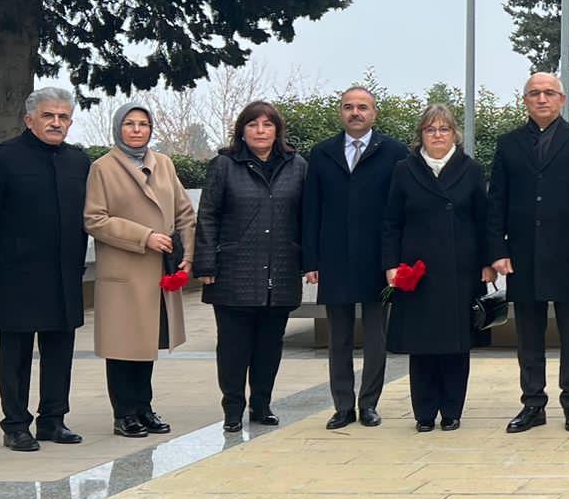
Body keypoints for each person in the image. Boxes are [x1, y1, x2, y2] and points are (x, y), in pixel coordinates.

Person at [0, 87, 92, 451]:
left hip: (63, 274)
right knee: (15, 355)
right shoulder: (0, 159)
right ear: (29, 119)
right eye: (48, 116)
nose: (56, 123)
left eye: (63, 117)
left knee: (59, 352)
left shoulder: (78, 162)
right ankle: (16, 425)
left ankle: (53, 420)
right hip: (14, 276)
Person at [490, 71, 569, 433]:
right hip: (522, 256)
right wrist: (498, 250)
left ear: (562, 100)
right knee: (528, 334)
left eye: (549, 93)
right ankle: (533, 403)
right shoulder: (508, 144)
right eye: (534, 93)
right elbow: (497, 202)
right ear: (525, 100)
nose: (542, 99)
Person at [83, 101, 196, 438]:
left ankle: (144, 408)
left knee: (147, 343)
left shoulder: (163, 163)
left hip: (159, 270)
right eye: (129, 123)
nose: (136, 130)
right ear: (118, 128)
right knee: (122, 345)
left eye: (143, 124)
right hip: (124, 271)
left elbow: (184, 213)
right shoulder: (103, 168)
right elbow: (94, 219)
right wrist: (144, 236)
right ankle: (124, 413)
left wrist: (188, 254)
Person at [382, 104, 495, 432]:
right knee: (422, 345)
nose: (437, 135)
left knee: (456, 345)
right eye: (430, 129)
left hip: (461, 270)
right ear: (421, 135)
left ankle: (452, 410)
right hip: (418, 272)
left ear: (454, 134)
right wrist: (390, 264)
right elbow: (391, 222)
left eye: (444, 129)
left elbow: (484, 220)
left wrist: (488, 262)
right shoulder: (404, 170)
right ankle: (424, 412)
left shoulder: (471, 169)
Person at [196, 100, 307, 433]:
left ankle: (262, 404)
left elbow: (307, 217)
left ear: (277, 131)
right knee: (233, 347)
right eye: (253, 124)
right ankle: (233, 408)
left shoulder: (297, 166)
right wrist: (206, 261)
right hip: (234, 272)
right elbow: (208, 215)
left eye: (267, 125)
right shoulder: (224, 165)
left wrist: (309, 261)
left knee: (269, 346)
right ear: (241, 131)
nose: (260, 131)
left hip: (281, 270)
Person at [302, 85, 404, 432]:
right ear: (341, 112)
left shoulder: (394, 152)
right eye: (349, 107)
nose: (355, 112)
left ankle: (369, 403)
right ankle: (343, 406)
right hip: (334, 258)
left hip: (378, 259)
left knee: (376, 336)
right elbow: (311, 209)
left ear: (374, 113)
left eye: (362, 107)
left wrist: (396, 260)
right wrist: (311, 260)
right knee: (339, 337)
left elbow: (399, 210)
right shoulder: (322, 153)